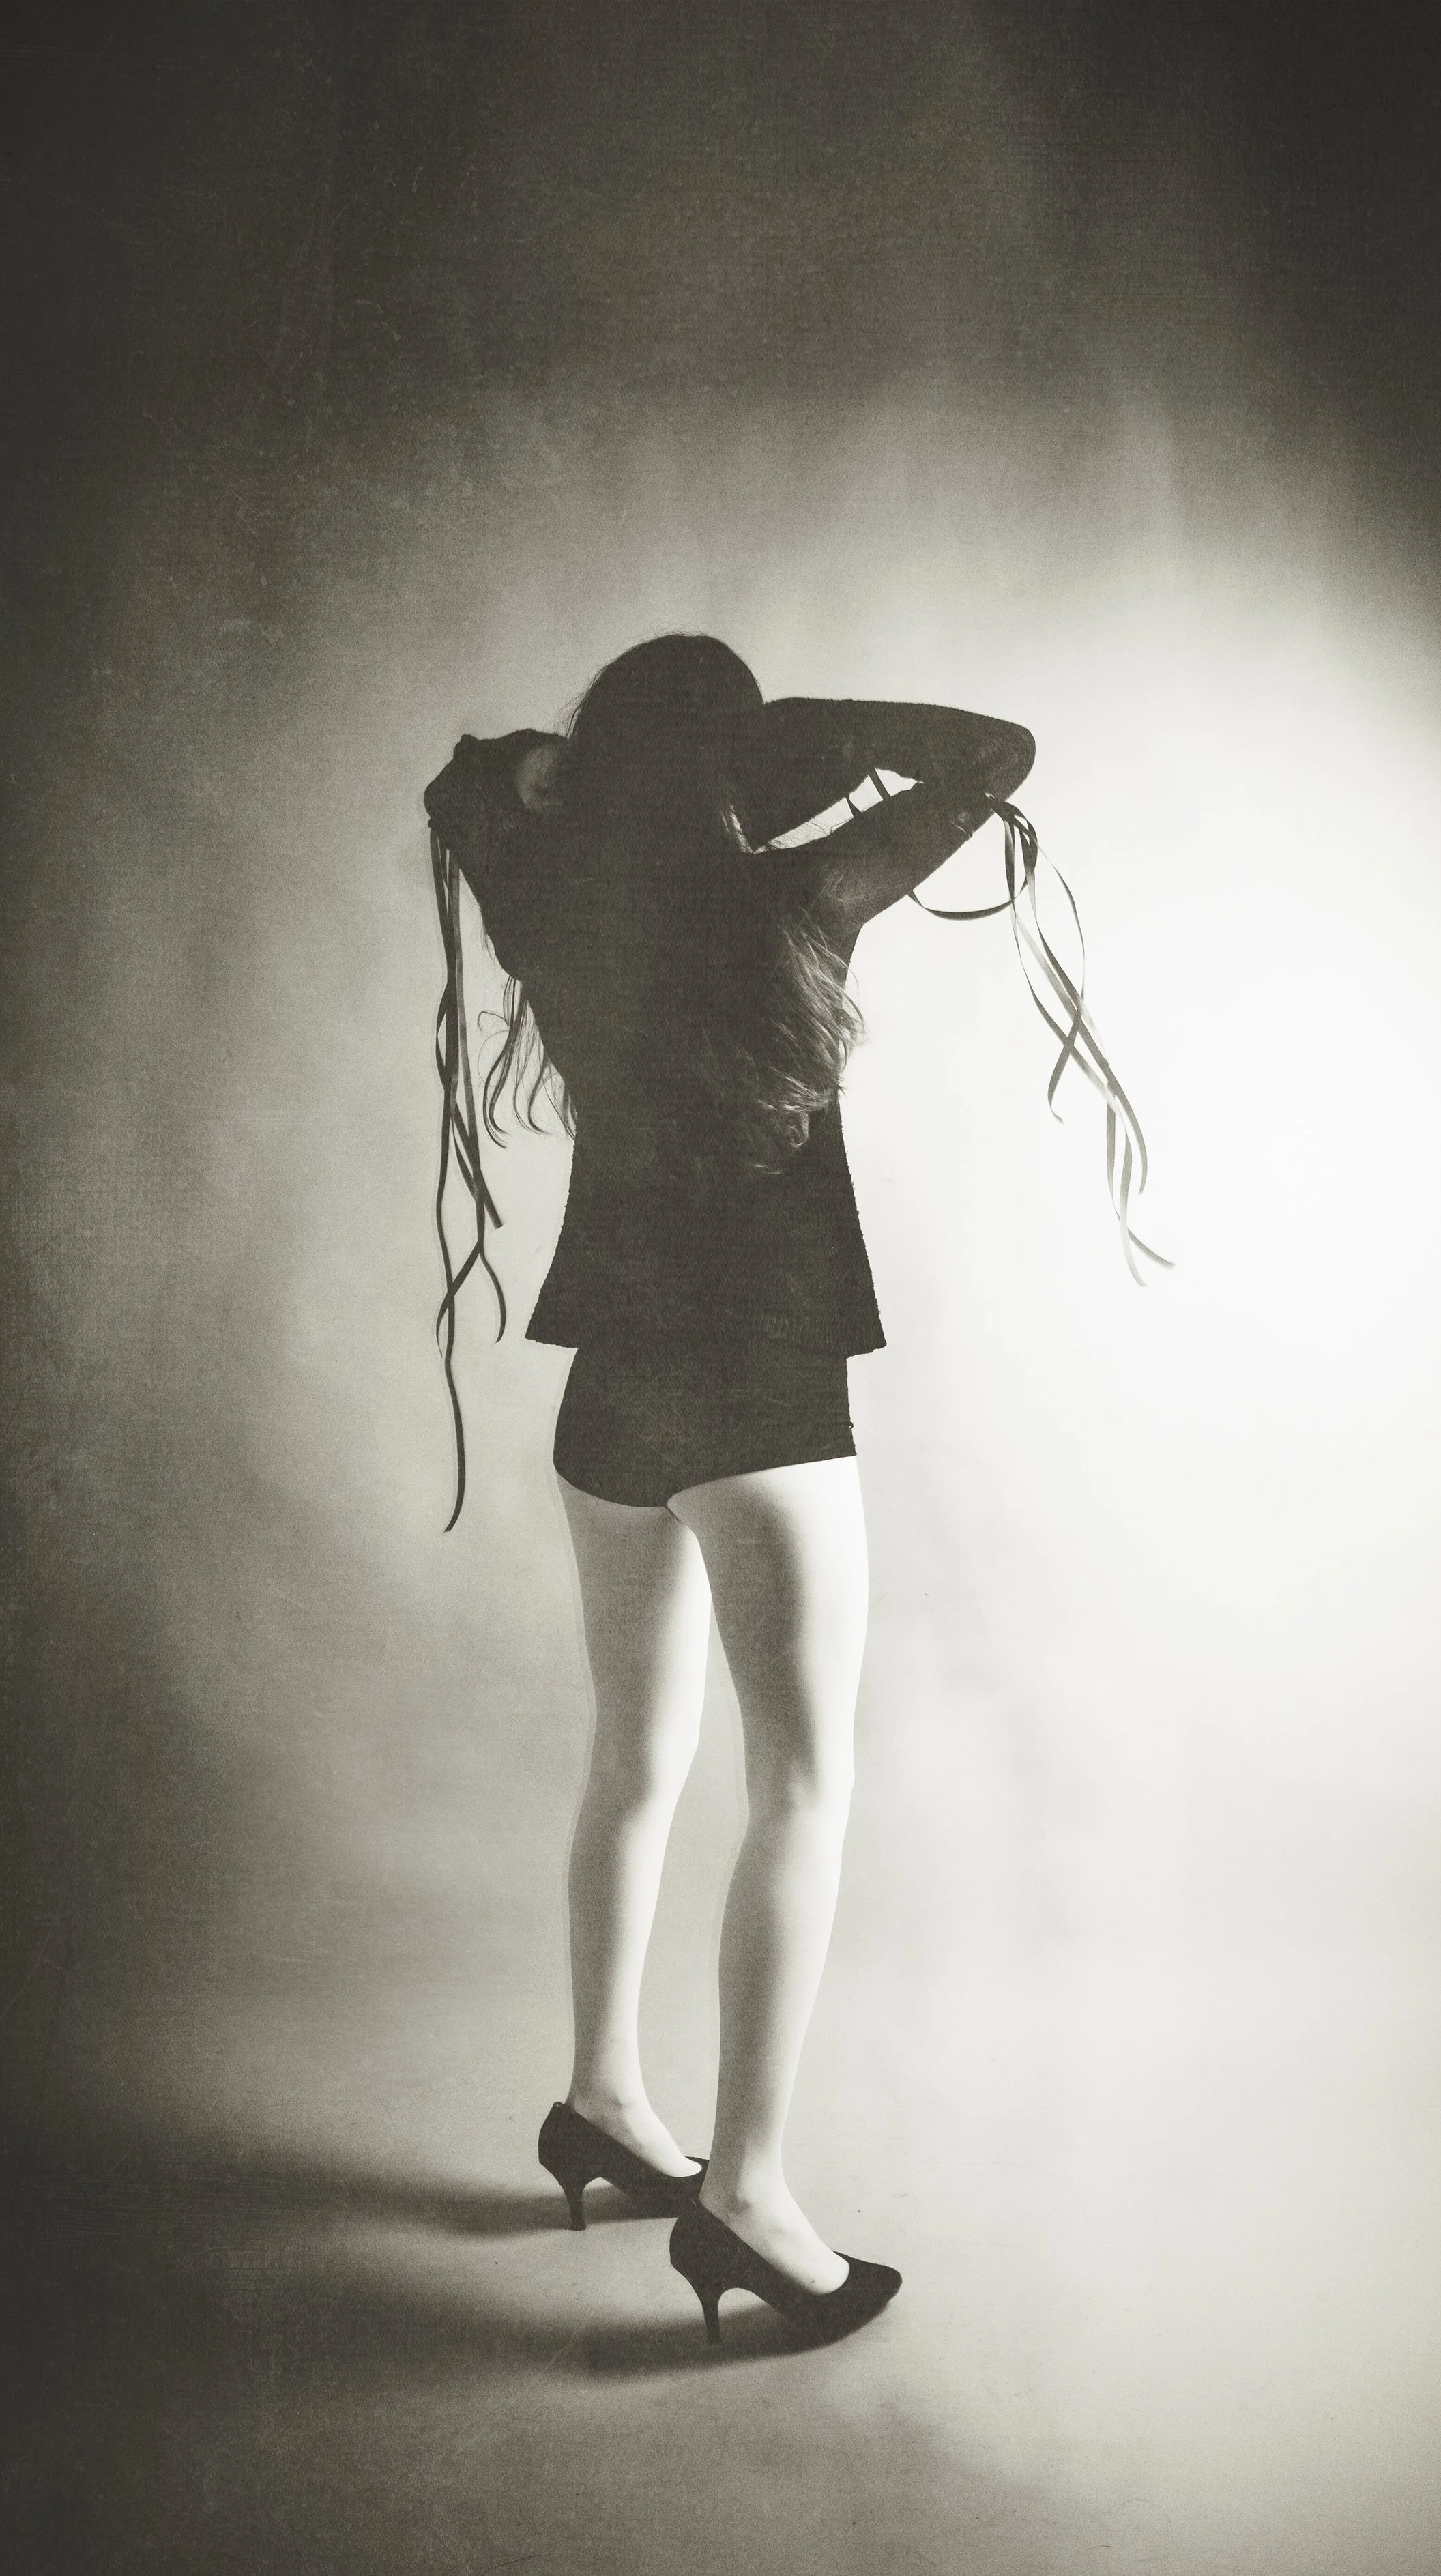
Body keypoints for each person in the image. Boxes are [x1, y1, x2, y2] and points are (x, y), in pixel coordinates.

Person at [423, 635, 1033, 2344]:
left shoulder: (551, 902)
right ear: (732, 765)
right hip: (757, 1382)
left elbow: (459, 779)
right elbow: (994, 746)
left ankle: (601, 2107)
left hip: (610, 1387)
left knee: (634, 1755)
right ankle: (748, 2202)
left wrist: (583, 773)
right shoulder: (797, 901)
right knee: (798, 1784)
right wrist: (770, 747)